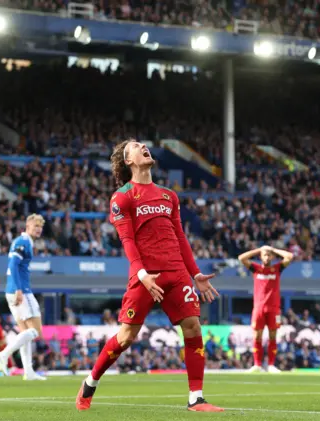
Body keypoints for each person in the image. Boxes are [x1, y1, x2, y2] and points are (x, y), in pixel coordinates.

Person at [75, 139, 223, 412]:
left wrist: (196, 273)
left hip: (177, 272)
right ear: (128, 160)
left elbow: (180, 237)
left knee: (193, 327)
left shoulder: (169, 196)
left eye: (143, 144)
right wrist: (141, 273)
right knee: (126, 338)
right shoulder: (122, 197)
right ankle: (91, 381)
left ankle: (196, 398)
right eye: (135, 145)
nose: (143, 146)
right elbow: (127, 240)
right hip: (146, 274)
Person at [0, 214, 46, 381]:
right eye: (35, 225)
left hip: (13, 290)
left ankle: (28, 371)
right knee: (36, 330)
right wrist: (19, 289)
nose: (38, 229)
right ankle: (3, 355)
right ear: (28, 226)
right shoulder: (22, 242)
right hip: (21, 290)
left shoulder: (24, 242)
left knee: (25, 332)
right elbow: (13, 265)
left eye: (40, 226)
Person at [238, 245, 293, 373]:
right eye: (264, 255)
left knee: (273, 336)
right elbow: (241, 258)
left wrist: (272, 249)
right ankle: (257, 365)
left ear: (273, 256)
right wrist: (259, 249)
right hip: (259, 308)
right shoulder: (256, 269)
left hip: (274, 309)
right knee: (257, 336)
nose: (267, 257)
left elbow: (289, 256)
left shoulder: (277, 268)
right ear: (261, 257)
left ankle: (271, 365)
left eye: (269, 255)